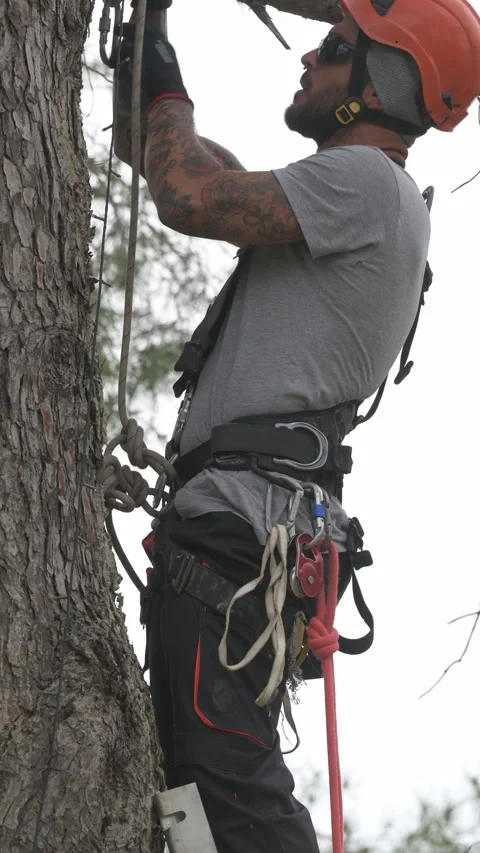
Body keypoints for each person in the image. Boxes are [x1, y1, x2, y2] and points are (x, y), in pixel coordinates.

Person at [114, 1, 480, 851]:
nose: (311, 59)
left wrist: (162, 80)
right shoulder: (351, 200)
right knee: (195, 800)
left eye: (336, 48)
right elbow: (184, 162)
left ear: (379, 86)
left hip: (244, 531)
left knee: (227, 799)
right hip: (243, 531)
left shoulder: (368, 185)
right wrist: (152, 65)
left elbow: (187, 192)